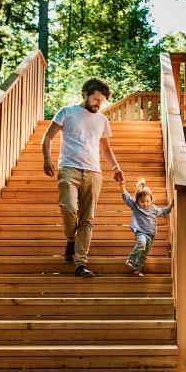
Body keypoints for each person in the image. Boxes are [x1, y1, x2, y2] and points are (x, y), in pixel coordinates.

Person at [42, 78, 124, 277]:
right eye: (95, 99)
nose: (98, 104)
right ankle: (71, 239)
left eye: (101, 101)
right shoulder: (67, 112)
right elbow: (47, 137)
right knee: (69, 208)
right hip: (68, 169)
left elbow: (105, 148)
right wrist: (47, 159)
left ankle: (80, 264)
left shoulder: (102, 120)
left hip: (93, 172)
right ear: (85, 93)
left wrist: (116, 167)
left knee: (87, 219)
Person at [120, 179, 173, 276]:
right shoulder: (135, 206)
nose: (145, 203)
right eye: (142, 201)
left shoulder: (153, 208)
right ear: (137, 201)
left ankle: (136, 269)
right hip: (140, 231)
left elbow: (163, 212)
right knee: (141, 243)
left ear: (151, 201)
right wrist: (122, 187)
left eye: (147, 201)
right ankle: (131, 260)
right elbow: (127, 199)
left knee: (144, 254)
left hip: (151, 235)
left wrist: (171, 205)